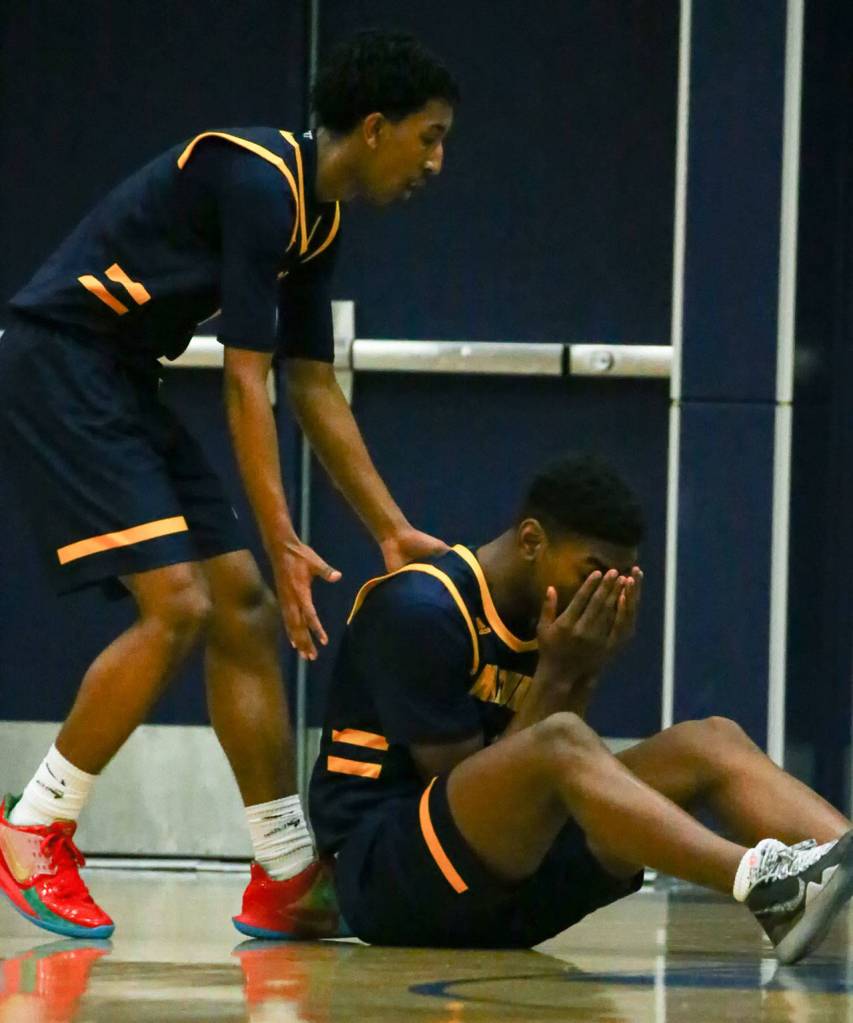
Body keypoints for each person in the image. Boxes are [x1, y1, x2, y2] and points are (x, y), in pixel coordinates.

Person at [0, 30, 458, 940]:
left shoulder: (316, 222)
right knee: (178, 606)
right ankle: (32, 831)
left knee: (240, 602)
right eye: (429, 137)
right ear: (373, 128)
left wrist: (390, 531)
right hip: (59, 364)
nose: (436, 162)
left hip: (122, 374)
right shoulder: (257, 183)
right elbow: (244, 381)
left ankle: (286, 868)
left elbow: (310, 384)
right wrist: (285, 536)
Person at [309, 454, 853, 963]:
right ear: (530, 541)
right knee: (562, 742)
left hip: (502, 884)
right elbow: (472, 792)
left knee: (710, 741)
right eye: (592, 572)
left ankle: (835, 868)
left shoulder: (550, 622)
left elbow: (529, 797)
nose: (604, 592)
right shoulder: (420, 611)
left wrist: (583, 669)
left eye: (619, 578)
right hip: (392, 879)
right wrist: (558, 673)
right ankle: (768, 884)